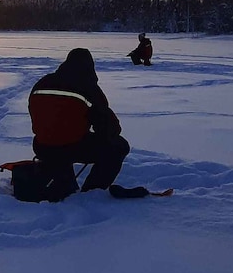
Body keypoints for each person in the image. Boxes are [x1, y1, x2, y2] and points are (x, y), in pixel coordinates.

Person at [28, 48, 149, 201]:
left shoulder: (43, 82)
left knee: (63, 140)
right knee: (119, 146)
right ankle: (91, 192)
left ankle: (59, 176)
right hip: (70, 146)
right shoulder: (88, 87)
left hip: (42, 146)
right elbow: (109, 126)